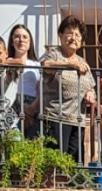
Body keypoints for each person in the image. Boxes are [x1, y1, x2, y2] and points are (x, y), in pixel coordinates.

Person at [40, 16, 96, 161]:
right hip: (56, 118)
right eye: (69, 33)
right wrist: (70, 65)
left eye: (77, 35)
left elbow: (90, 86)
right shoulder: (54, 53)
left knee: (74, 163)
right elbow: (45, 65)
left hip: (78, 120)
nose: (73, 38)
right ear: (60, 35)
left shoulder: (82, 61)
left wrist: (90, 92)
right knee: (56, 162)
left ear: (81, 42)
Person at [6, 23, 40, 139]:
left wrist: (31, 109)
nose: (21, 40)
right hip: (11, 105)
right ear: (11, 42)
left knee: (31, 144)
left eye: (25, 37)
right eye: (17, 36)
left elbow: (41, 88)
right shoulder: (5, 62)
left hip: (32, 105)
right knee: (14, 140)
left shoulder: (37, 65)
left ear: (30, 43)